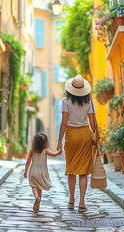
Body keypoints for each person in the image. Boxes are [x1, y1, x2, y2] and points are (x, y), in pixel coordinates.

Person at [56, 75, 100, 213]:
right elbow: (93, 125)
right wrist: (97, 142)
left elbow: (64, 123)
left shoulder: (65, 101)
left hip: (71, 135)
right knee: (83, 172)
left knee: (71, 170)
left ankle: (71, 200)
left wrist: (59, 142)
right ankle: (81, 202)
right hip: (85, 135)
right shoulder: (89, 102)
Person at [23, 133, 62, 213]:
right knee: (39, 187)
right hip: (42, 172)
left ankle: (36, 198)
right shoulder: (45, 151)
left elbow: (28, 162)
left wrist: (26, 171)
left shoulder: (32, 151)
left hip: (33, 171)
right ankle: (38, 203)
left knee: (34, 186)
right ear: (45, 143)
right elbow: (54, 154)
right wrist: (59, 151)